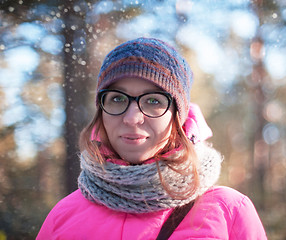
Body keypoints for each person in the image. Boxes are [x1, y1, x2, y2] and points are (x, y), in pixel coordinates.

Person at [37, 37, 267, 239]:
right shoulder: (63, 215)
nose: (132, 118)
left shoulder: (229, 211)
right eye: (117, 99)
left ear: (179, 115)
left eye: (154, 101)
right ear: (101, 111)